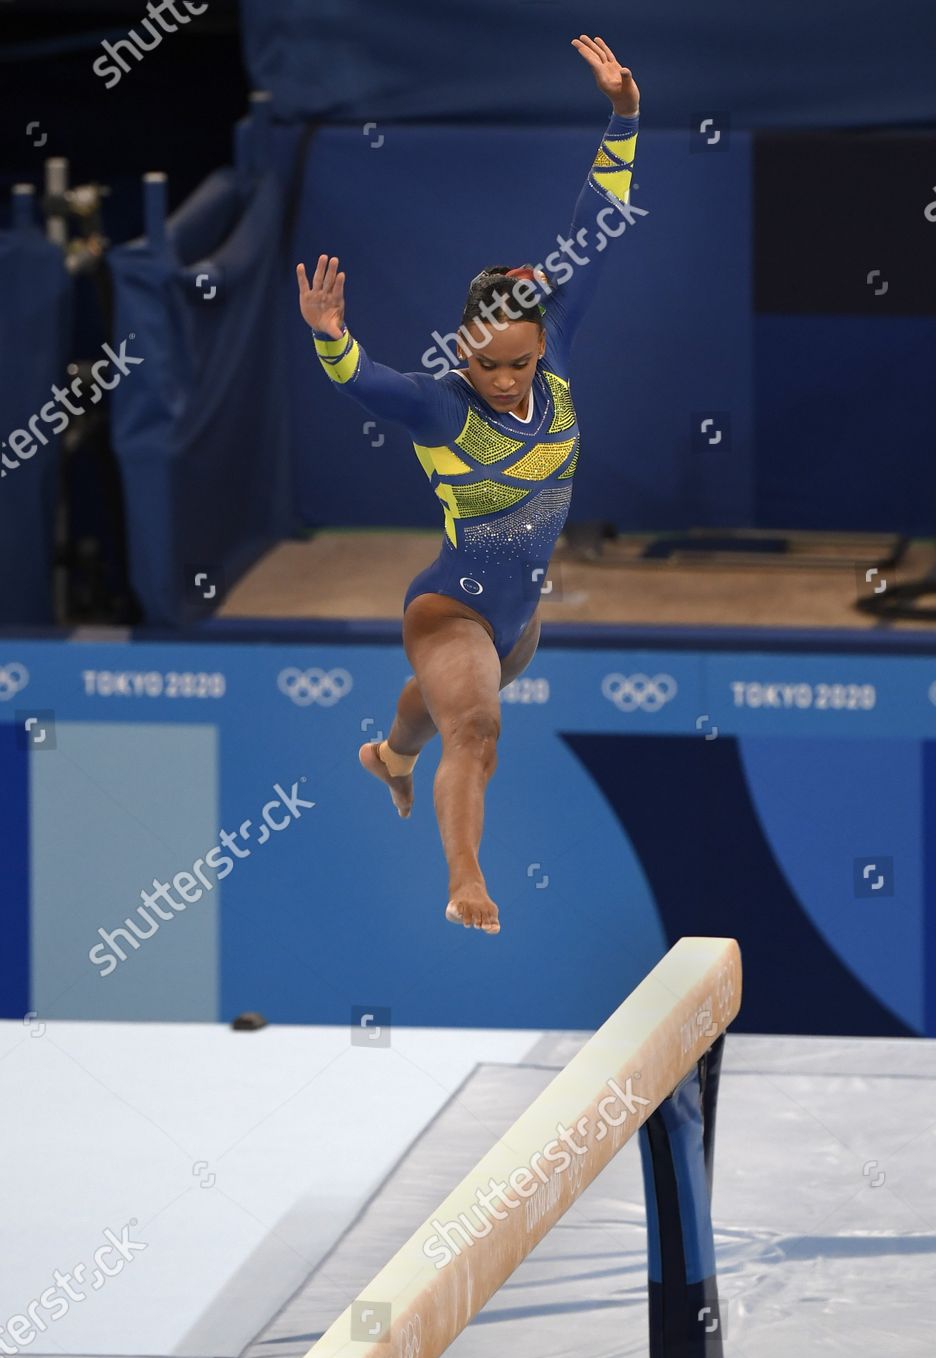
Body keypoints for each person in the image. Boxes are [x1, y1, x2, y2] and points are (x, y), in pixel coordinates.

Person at [297, 34, 640, 935]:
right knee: (476, 732)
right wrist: (332, 335)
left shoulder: (550, 350)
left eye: (520, 362)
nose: (507, 379)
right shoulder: (440, 406)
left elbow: (595, 223)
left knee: (440, 704)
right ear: (462, 348)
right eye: (489, 364)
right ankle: (464, 879)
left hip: (520, 619)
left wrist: (624, 116)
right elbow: (364, 380)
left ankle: (387, 755)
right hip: (451, 604)